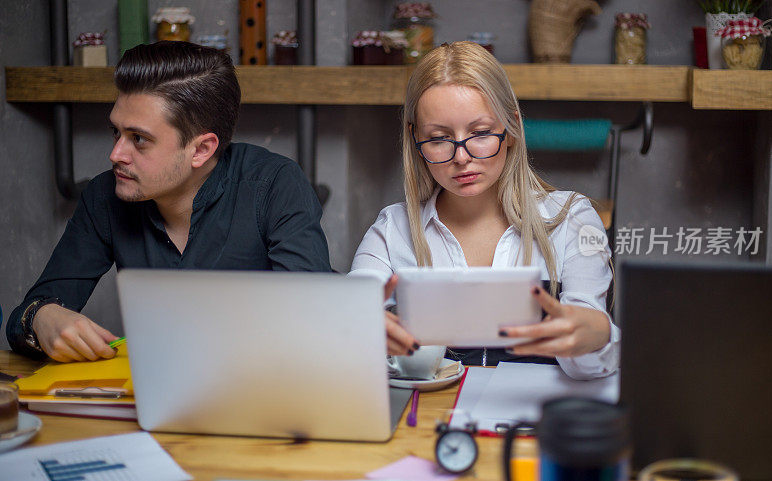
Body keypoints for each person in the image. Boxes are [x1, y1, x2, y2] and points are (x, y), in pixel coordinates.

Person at [6, 41, 331, 362]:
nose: (115, 154)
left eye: (139, 139)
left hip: (262, 396)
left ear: (201, 149)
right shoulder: (105, 195)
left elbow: (315, 320)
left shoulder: (274, 185)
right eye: (115, 133)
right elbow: (25, 318)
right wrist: (42, 318)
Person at [350, 42, 617, 380]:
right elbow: (350, 313)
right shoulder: (394, 230)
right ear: (415, 141)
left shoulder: (571, 218)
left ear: (511, 128)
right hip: (430, 425)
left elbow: (590, 365)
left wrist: (595, 335)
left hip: (531, 423)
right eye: (438, 138)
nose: (461, 157)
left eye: (479, 133)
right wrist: (359, 328)